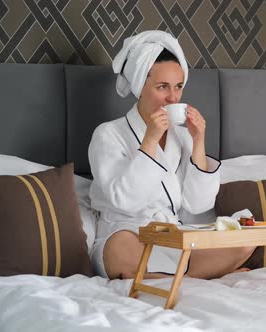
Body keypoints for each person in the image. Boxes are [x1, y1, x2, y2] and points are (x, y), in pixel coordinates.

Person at [88, 30, 254, 280]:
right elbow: (125, 200)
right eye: (162, 87)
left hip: (175, 239)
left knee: (244, 240)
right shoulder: (108, 134)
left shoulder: (182, 137)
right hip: (129, 236)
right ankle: (195, 277)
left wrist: (198, 141)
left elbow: (198, 205)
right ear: (139, 87)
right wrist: (151, 140)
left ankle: (170, 279)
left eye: (178, 87)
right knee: (120, 247)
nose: (173, 97)